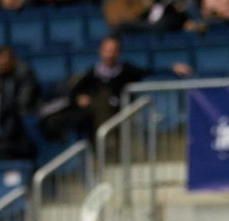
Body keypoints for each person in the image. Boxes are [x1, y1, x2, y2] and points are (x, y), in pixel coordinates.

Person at [40, 37, 192, 142]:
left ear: (118, 53)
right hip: (93, 114)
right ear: (101, 52)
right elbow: (75, 93)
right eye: (107, 50)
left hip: (118, 111)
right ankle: (103, 143)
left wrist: (172, 68)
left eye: (113, 50)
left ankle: (108, 142)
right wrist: (80, 97)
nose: (109, 54)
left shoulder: (125, 70)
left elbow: (149, 72)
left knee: (105, 97)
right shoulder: (92, 73)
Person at [0, 45, 42, 117]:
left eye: (4, 64)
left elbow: (24, 100)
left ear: (13, 60)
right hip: (9, 113)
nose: (1, 67)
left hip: (29, 112)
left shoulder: (24, 71)